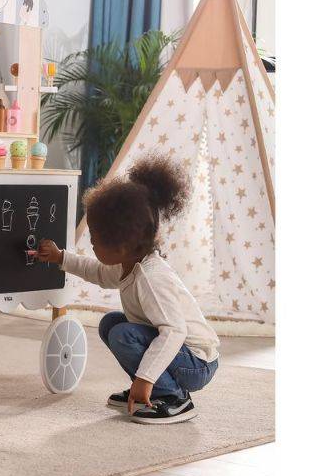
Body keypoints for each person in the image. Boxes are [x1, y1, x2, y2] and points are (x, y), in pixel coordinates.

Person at [35, 156, 220, 424]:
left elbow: (174, 332)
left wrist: (145, 378)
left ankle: (172, 397)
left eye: (95, 239)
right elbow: (98, 272)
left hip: (197, 362)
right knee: (110, 324)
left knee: (123, 334)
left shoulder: (151, 278)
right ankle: (154, 389)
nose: (92, 243)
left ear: (122, 246)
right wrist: (61, 257)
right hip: (180, 355)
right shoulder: (129, 262)